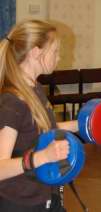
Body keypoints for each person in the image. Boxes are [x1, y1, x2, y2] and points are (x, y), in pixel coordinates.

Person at [0, 20, 78, 211]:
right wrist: (41, 157)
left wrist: (85, 123)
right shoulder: (13, 102)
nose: (59, 57)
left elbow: (41, 130)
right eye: (55, 51)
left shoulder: (34, 88)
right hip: (21, 202)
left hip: (45, 195)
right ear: (35, 52)